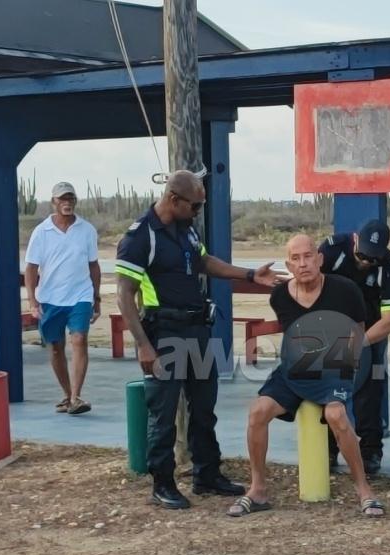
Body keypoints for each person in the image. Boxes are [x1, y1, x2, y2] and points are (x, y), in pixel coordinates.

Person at [115, 170, 286, 510]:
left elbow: (204, 262)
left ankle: (207, 474)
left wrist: (250, 275)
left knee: (204, 408)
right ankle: (162, 483)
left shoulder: (186, 228)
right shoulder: (140, 236)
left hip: (197, 329)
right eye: (194, 206)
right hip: (164, 333)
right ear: (173, 199)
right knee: (163, 414)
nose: (198, 212)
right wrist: (144, 345)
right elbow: (124, 294)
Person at [229, 234, 385, 519]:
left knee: (337, 415)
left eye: (308, 256)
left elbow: (358, 331)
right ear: (289, 265)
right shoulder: (279, 296)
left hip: (333, 368)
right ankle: (258, 489)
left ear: (320, 259)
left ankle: (364, 490)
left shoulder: (346, 290)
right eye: (296, 259)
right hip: (294, 370)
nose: (303, 264)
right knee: (258, 411)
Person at [318, 219, 390, 474]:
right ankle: (327, 449)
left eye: (373, 258)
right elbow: (309, 285)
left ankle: (370, 451)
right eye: (362, 255)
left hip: (371, 331)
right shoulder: (332, 249)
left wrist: (359, 344)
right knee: (327, 391)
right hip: (332, 328)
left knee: (370, 389)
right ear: (355, 239)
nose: (366, 262)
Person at [25, 181, 101, 415]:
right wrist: (32, 301)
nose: (67, 203)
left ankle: (76, 397)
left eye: (70, 198)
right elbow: (31, 268)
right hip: (50, 298)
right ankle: (68, 395)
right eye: (62, 199)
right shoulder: (41, 232)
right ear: (54, 202)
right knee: (56, 348)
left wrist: (96, 298)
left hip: (80, 295)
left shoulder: (87, 230)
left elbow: (94, 265)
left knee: (79, 339)